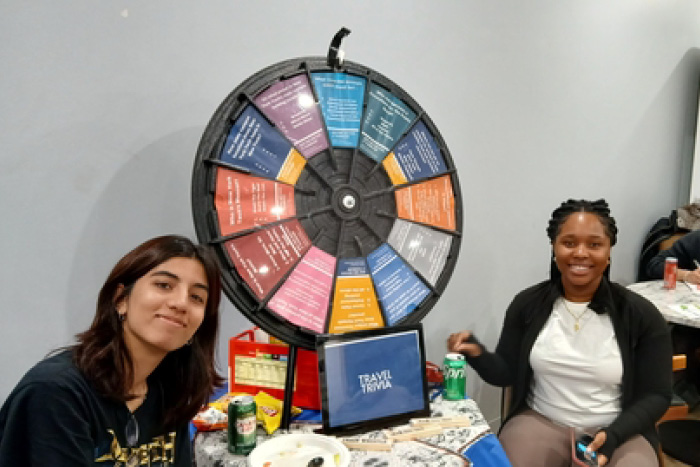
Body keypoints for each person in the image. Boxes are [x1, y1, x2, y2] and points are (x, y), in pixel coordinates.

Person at [448, 199, 672, 467]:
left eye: (594, 244)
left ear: (609, 251)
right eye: (568, 243)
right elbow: (506, 372)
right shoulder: (527, 304)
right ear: (554, 248)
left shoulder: (641, 314)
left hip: (618, 429)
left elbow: (657, 395)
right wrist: (477, 353)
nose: (580, 253)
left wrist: (613, 435)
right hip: (541, 421)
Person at [0, 235, 223, 466]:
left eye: (197, 297)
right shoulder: (54, 393)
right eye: (164, 285)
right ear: (120, 299)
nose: (180, 303)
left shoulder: (170, 388)